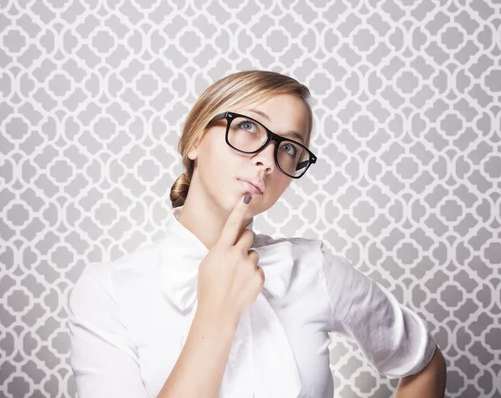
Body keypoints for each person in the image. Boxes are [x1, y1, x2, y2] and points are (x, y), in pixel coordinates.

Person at [67, 70, 447, 398]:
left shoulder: (314, 270)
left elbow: (423, 362)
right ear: (195, 139)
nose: (268, 159)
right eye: (248, 126)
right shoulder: (107, 291)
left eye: (289, 147)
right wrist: (218, 311)